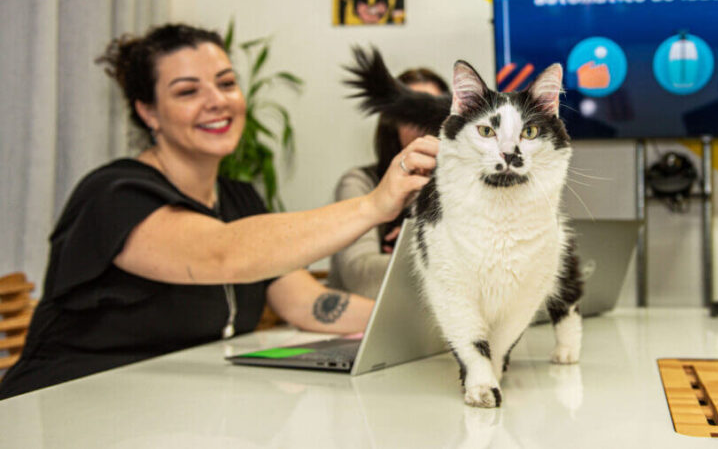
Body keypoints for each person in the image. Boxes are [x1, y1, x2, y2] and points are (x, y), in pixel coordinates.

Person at [0, 24, 438, 399]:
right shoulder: (112, 195)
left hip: (175, 409)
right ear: (147, 111)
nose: (217, 101)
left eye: (227, 83)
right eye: (188, 91)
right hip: (67, 406)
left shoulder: (240, 199)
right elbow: (221, 253)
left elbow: (307, 303)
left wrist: (433, 326)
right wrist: (374, 205)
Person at [328, 68, 449, 298]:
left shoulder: (465, 187)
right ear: (392, 123)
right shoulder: (359, 183)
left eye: (431, 114)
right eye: (412, 115)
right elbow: (361, 276)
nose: (423, 126)